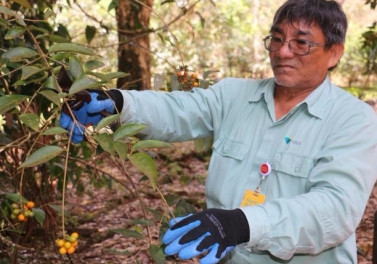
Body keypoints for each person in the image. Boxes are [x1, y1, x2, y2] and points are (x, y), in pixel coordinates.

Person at [59, 0, 377, 263]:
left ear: (334, 52)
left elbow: (335, 209)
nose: (282, 52)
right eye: (277, 39)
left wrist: (241, 223)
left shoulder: (354, 120)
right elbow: (178, 110)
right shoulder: (234, 95)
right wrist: (118, 102)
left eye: (301, 43)